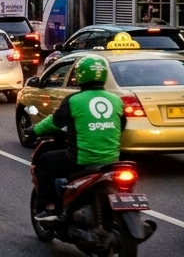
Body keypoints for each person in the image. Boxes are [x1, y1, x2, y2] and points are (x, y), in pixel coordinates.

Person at [32, 55, 125, 221]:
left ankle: (50, 207)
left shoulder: (74, 100)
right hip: (112, 160)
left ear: (79, 75)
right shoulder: (116, 100)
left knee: (44, 162)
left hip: (81, 159)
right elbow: (122, 124)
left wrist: (35, 129)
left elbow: (55, 122)